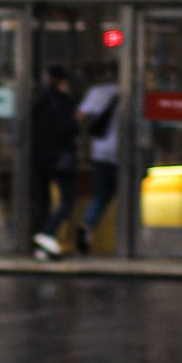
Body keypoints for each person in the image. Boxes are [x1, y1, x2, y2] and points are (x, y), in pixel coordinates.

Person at [29, 64, 79, 260]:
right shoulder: (65, 101)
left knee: (42, 202)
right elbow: (70, 129)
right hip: (60, 157)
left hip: (39, 157)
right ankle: (47, 233)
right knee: (68, 199)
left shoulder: (38, 101)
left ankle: (41, 248)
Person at [72, 63, 120, 255]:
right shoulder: (136, 90)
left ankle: (88, 224)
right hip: (127, 153)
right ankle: (132, 237)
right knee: (129, 196)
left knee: (101, 194)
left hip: (101, 151)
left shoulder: (97, 92)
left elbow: (78, 117)